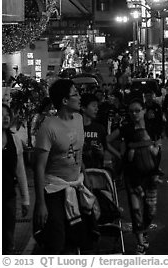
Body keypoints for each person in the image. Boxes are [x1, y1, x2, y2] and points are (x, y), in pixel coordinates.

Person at [33, 79, 98, 254]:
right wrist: (40, 203)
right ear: (64, 101)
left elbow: (78, 152)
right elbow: (38, 167)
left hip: (77, 186)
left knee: (81, 237)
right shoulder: (48, 127)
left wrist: (85, 176)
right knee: (56, 241)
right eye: (75, 94)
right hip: (54, 190)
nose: (79, 97)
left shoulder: (78, 119)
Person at [106, 98, 161, 255]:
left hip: (150, 175)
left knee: (150, 210)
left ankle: (143, 231)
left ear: (144, 110)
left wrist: (155, 156)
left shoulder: (151, 126)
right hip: (132, 175)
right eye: (131, 111)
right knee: (136, 210)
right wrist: (121, 156)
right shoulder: (125, 128)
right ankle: (140, 243)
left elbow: (158, 145)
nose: (134, 114)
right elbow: (107, 141)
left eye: (137, 110)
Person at [2, 103, 30, 254]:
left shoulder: (15, 140)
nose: (5, 118)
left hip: (8, 197)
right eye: (1, 115)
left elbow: (20, 171)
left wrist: (25, 200)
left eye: (7, 114)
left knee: (8, 239)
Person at [81, 93, 107, 169]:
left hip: (95, 171)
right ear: (83, 108)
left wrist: (101, 152)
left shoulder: (100, 128)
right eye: (94, 106)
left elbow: (104, 153)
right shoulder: (75, 128)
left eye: (97, 106)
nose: (97, 109)